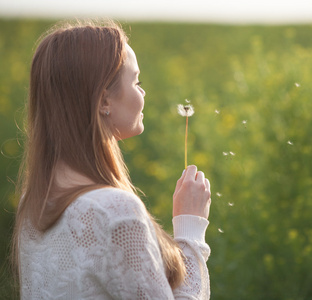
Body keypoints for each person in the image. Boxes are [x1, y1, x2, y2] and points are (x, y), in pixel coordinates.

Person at [12, 20, 212, 299]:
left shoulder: (35, 202)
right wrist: (190, 225)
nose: (143, 92)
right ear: (104, 100)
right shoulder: (114, 211)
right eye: (136, 81)